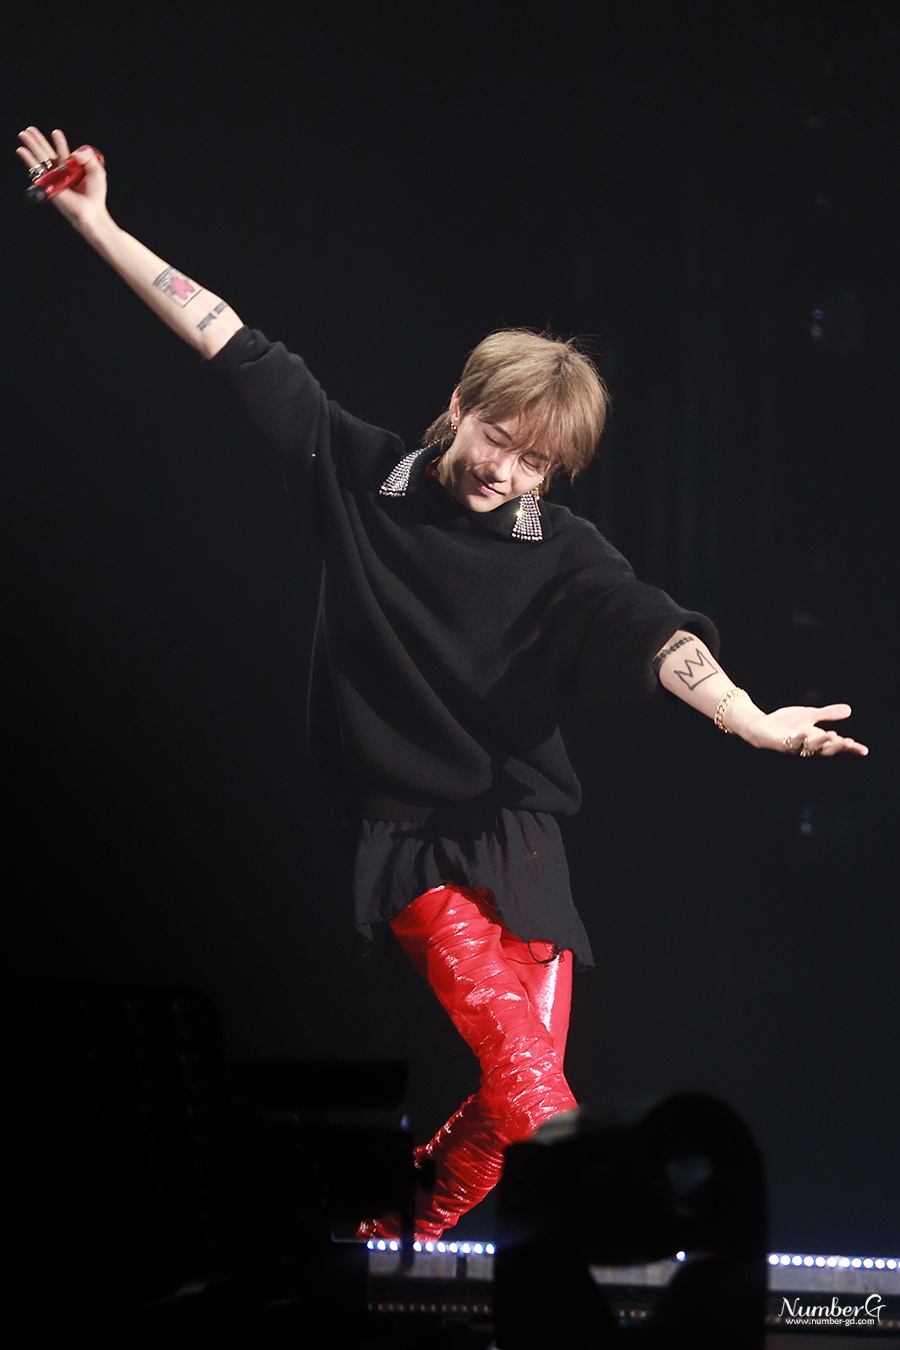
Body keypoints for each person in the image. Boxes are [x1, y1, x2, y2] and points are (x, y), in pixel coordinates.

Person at [17, 128, 869, 1240]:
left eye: (534, 463)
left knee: (511, 1111)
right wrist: (98, 225)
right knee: (535, 1091)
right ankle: (622, 1238)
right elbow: (226, 336)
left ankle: (390, 1234)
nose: (505, 473)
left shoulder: (564, 553)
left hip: (524, 839)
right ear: (461, 404)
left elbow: (653, 632)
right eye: (498, 440)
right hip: (411, 837)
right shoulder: (355, 473)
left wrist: (749, 719)